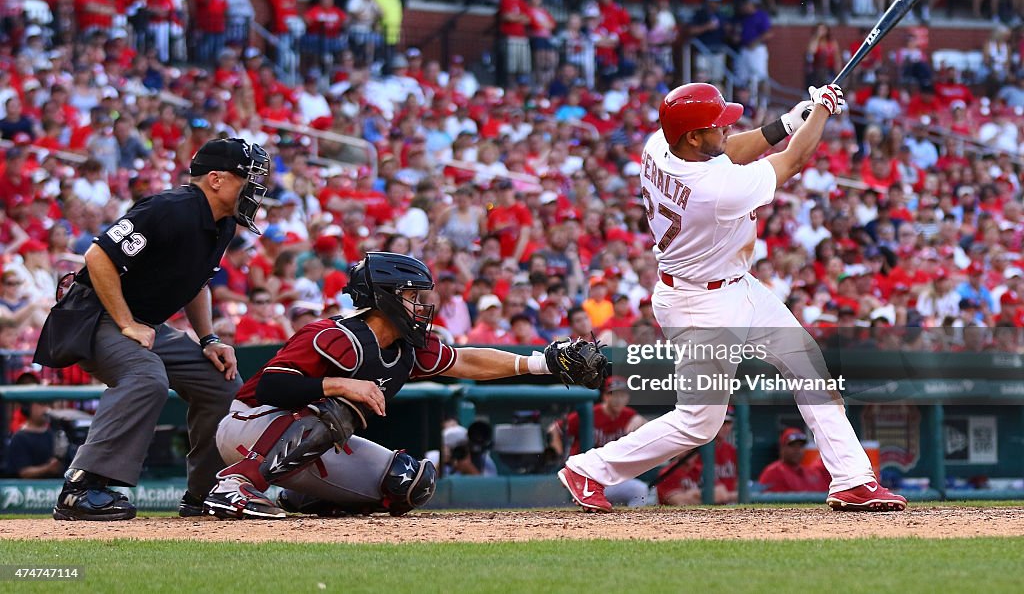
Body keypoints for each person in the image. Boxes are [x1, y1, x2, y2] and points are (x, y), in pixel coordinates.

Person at [557, 81, 908, 513]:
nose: (726, 128)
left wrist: (786, 122)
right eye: (716, 125)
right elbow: (793, 160)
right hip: (700, 305)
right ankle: (589, 469)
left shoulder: (659, 145)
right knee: (699, 424)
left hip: (730, 285)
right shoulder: (716, 191)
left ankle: (853, 480)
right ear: (692, 136)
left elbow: (726, 151)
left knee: (809, 367)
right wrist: (821, 110)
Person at [201, 252, 605, 518]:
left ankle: (301, 495)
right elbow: (271, 387)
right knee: (333, 411)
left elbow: (465, 360)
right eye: (411, 294)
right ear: (384, 297)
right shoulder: (334, 335)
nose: (420, 304)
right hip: (249, 426)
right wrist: (339, 384)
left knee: (409, 483)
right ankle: (236, 484)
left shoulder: (408, 346)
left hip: (313, 442)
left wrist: (540, 362)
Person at [36, 138, 271, 521]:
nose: (256, 188)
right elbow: (98, 256)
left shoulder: (223, 223)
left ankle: (206, 493)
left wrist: (209, 339)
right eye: (248, 177)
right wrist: (127, 322)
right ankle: (81, 487)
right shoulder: (169, 208)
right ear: (215, 179)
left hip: (142, 322)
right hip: (92, 315)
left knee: (222, 385)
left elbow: (197, 283)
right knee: (145, 376)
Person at [548, 375, 648, 506]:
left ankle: (635, 525)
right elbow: (554, 429)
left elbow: (653, 433)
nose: (618, 399)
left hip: (611, 477)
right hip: (585, 476)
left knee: (639, 489)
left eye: (622, 395)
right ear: (605, 396)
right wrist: (559, 455)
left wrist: (641, 421)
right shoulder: (590, 413)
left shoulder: (630, 415)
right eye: (614, 394)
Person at [6, 401, 68, 479]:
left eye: (47, 405)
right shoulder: (19, 438)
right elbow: (24, 472)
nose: (46, 409)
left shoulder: (55, 434)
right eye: (41, 405)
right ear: (28, 408)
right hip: (29, 489)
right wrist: (48, 468)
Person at [758, 427, 830, 492]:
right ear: (782, 449)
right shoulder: (773, 472)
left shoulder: (811, 472)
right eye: (792, 445)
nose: (797, 450)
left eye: (800, 446)